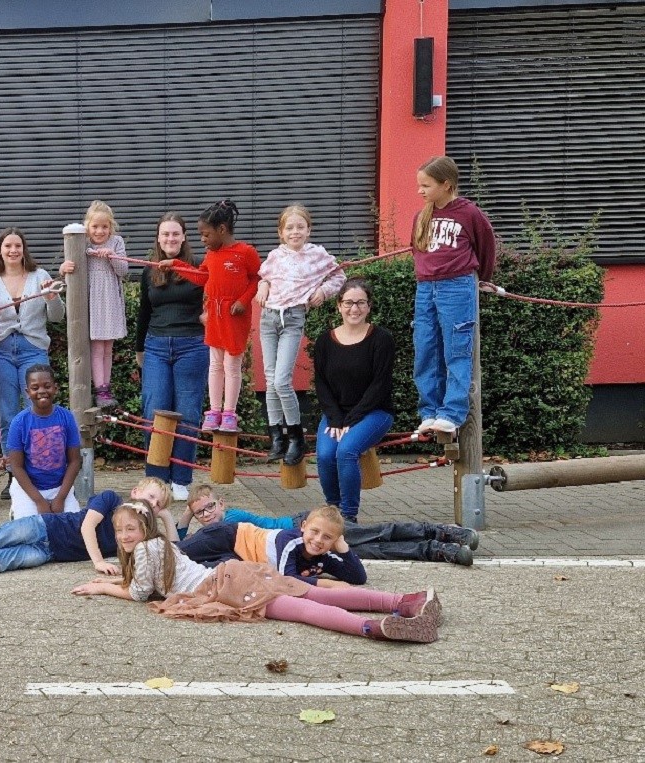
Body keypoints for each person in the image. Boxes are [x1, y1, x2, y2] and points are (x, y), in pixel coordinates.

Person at [70, 502, 441, 643]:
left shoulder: (149, 548)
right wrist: (110, 580)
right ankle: (407, 601)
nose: (123, 537)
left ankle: (375, 627)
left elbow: (139, 593)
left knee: (304, 609)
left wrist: (104, 588)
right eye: (120, 532)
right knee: (314, 595)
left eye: (128, 530)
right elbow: (140, 583)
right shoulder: (159, 545)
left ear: (144, 530)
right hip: (234, 573)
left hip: (226, 587)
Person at [0, 477, 172, 590]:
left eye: (158, 504)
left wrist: (167, 516)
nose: (153, 503)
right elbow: (88, 526)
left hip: (47, 553)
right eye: (150, 496)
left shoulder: (139, 535)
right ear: (135, 492)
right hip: (43, 526)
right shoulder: (111, 500)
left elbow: (175, 548)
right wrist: (98, 562)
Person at [177, 484, 478, 565]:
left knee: (376, 533)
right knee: (373, 551)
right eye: (200, 513)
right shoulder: (209, 527)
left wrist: (189, 518)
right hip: (301, 545)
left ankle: (440, 531)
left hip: (306, 525)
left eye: (210, 507)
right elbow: (186, 535)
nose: (207, 514)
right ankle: (435, 550)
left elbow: (185, 540)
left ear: (222, 504)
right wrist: (187, 513)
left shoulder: (229, 521)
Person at [411, 155, 496, 436]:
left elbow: (486, 247)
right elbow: (418, 252)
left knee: (456, 349)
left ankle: (452, 412)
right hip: (426, 288)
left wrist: (482, 279)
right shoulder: (422, 216)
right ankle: (430, 411)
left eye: (426, 185)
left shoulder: (468, 213)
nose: (420, 191)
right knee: (425, 347)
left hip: (457, 287)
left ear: (446, 184)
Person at [159, 200, 261, 434]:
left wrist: (242, 301)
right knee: (215, 364)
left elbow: (256, 279)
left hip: (234, 316)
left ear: (222, 230)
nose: (202, 240)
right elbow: (200, 276)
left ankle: (229, 414)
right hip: (214, 315)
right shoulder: (210, 254)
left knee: (231, 365)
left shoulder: (246, 252)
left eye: (206, 235)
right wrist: (175, 265)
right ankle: (214, 411)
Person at [255, 205, 345, 465]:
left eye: (300, 227)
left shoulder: (317, 255)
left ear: (308, 230)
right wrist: (262, 286)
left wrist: (323, 292)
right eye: (289, 228)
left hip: (293, 318)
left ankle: (297, 437)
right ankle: (276, 437)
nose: (295, 232)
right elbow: (265, 278)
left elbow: (339, 277)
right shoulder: (275, 255)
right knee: (271, 381)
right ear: (281, 233)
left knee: (282, 380)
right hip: (269, 317)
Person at [0, 227, 65, 499]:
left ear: (24, 248)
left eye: (17, 245)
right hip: (1, 351)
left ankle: (42, 470)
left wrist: (52, 297)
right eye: (8, 246)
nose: (13, 250)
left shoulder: (40, 276)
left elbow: (56, 317)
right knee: (7, 414)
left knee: (38, 409)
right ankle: (13, 474)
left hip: (32, 349)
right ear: (0, 250)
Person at [134, 213, 208, 502]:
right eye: (165, 234)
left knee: (188, 414)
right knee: (154, 412)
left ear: (184, 236)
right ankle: (156, 478)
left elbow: (215, 298)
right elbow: (144, 313)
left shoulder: (199, 268)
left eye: (175, 234)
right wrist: (140, 349)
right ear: (158, 237)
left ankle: (181, 479)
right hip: (155, 347)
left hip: (192, 346)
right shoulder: (150, 270)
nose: (170, 239)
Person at [313, 278, 396, 524]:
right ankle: (333, 512)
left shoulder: (382, 339)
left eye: (361, 303)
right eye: (348, 303)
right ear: (338, 305)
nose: (354, 309)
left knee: (346, 450)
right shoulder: (325, 341)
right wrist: (337, 419)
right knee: (326, 454)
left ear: (369, 306)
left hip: (374, 412)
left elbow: (380, 386)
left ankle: (349, 517)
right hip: (336, 414)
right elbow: (321, 383)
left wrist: (351, 420)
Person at [177, 504, 367, 586]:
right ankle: (149, 544)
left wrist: (343, 547)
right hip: (228, 536)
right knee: (174, 552)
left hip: (238, 559)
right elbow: (287, 579)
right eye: (314, 532)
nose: (318, 540)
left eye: (327, 537)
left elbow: (358, 577)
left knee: (189, 570)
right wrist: (327, 584)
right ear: (303, 527)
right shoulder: (291, 541)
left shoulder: (324, 556)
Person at [58, 200, 128, 408]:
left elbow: (123, 271)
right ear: (88, 226)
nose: (100, 231)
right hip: (92, 301)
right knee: (97, 347)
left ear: (111, 227)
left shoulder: (116, 242)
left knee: (108, 348)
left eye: (104, 226)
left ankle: (107, 384)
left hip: (110, 301)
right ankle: (100, 389)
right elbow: (70, 271)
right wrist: (63, 269)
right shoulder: (82, 243)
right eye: (95, 226)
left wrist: (111, 257)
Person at [5, 364, 81, 519]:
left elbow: (75, 461)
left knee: (74, 528)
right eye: (35, 388)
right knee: (30, 531)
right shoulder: (19, 422)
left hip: (59, 488)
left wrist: (60, 498)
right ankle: (16, 511)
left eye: (47, 386)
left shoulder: (66, 417)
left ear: (55, 388)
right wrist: (39, 501)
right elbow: (16, 467)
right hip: (28, 489)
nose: (41, 392)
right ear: (27, 392)